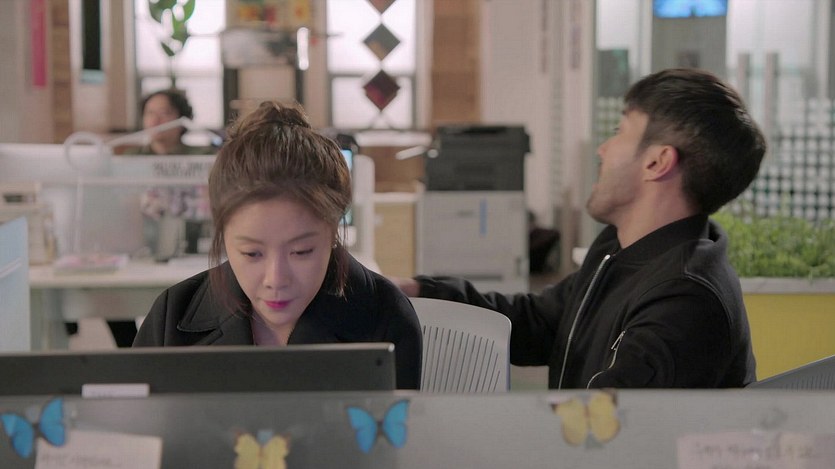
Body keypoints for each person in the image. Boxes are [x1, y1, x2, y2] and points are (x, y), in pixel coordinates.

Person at [393, 68, 765, 389]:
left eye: (619, 132)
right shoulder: (620, 248)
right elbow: (540, 323)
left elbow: (606, 428)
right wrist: (420, 292)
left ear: (657, 162)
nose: (603, 149)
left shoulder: (684, 301)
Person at [133, 100, 423, 390]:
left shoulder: (385, 317)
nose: (276, 279)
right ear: (222, 233)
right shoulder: (173, 318)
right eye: (252, 253)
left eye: (301, 252)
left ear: (334, 230)